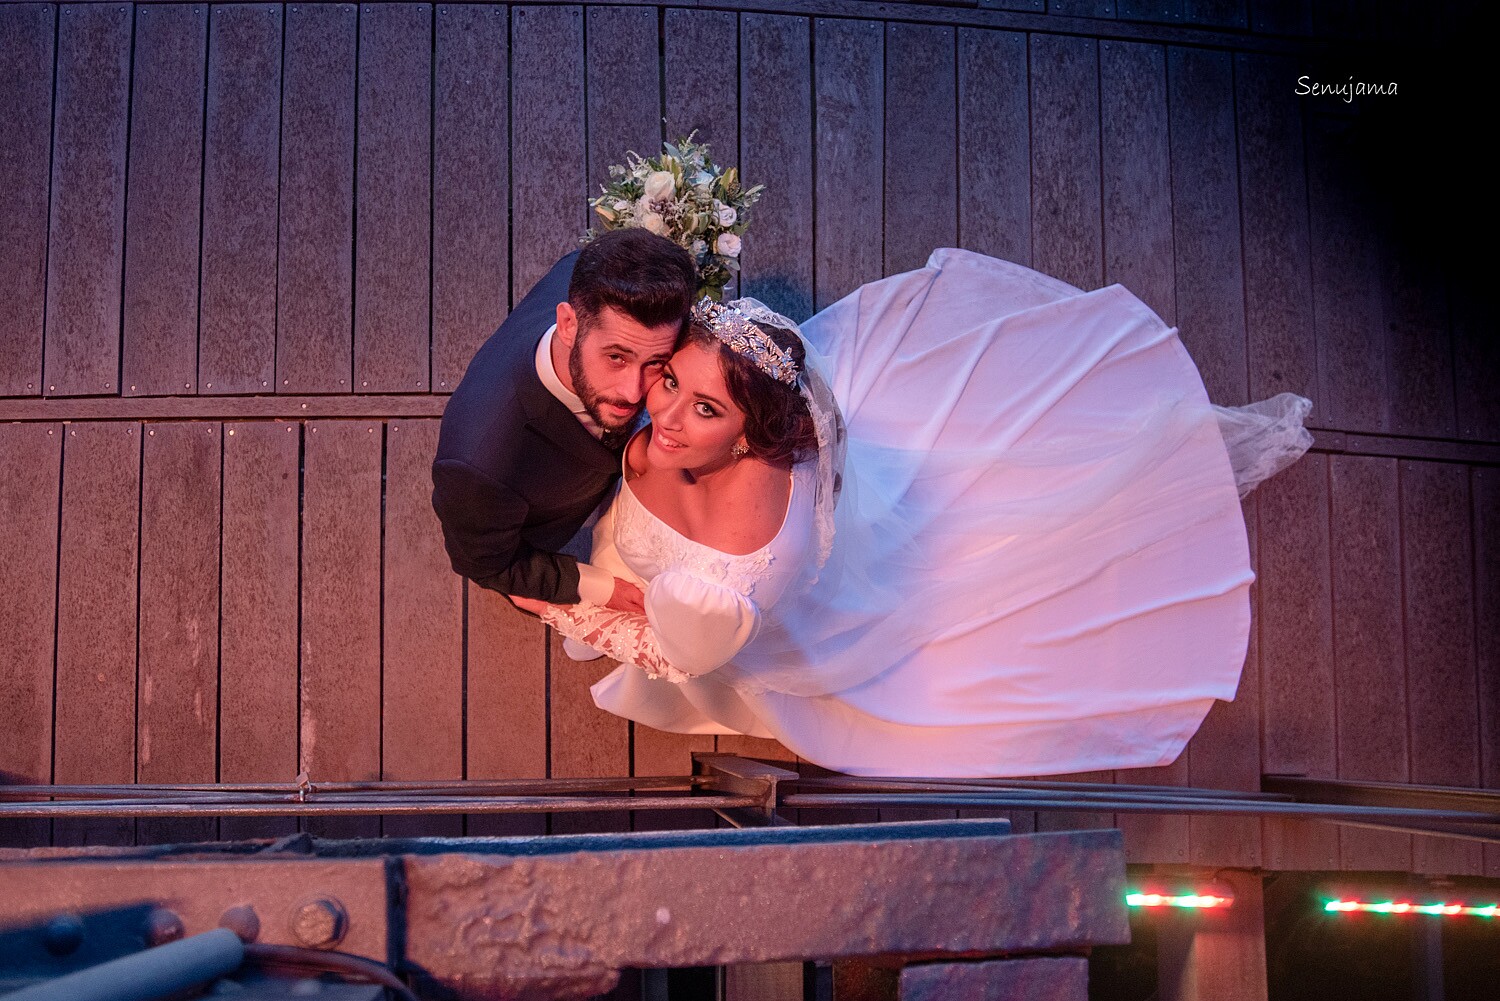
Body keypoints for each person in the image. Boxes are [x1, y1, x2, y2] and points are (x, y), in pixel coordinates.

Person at [512, 249, 1313, 778]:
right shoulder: (673, 417)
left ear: (752, 438)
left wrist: (563, 601)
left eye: (706, 408)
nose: (669, 414)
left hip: (709, 627)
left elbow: (685, 658)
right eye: (672, 379)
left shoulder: (752, 563)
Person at [431, 229, 697, 612]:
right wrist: (597, 586)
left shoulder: (581, 269)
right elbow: (483, 563)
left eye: (655, 362)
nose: (634, 392)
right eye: (616, 358)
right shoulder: (478, 465)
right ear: (569, 325)